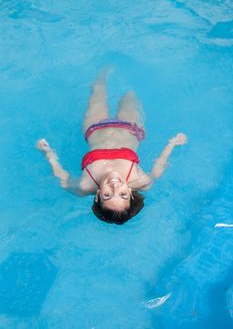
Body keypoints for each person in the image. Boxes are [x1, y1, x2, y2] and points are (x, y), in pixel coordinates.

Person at [37, 72, 187, 224]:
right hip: (131, 126)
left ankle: (105, 68)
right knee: (131, 92)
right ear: (130, 193)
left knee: (98, 87)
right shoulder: (141, 180)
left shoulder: (84, 185)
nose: (115, 187)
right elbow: (157, 170)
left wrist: (48, 153)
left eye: (107, 195)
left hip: (94, 127)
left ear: (97, 196)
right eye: (123, 194)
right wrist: (171, 144)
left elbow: (63, 180)